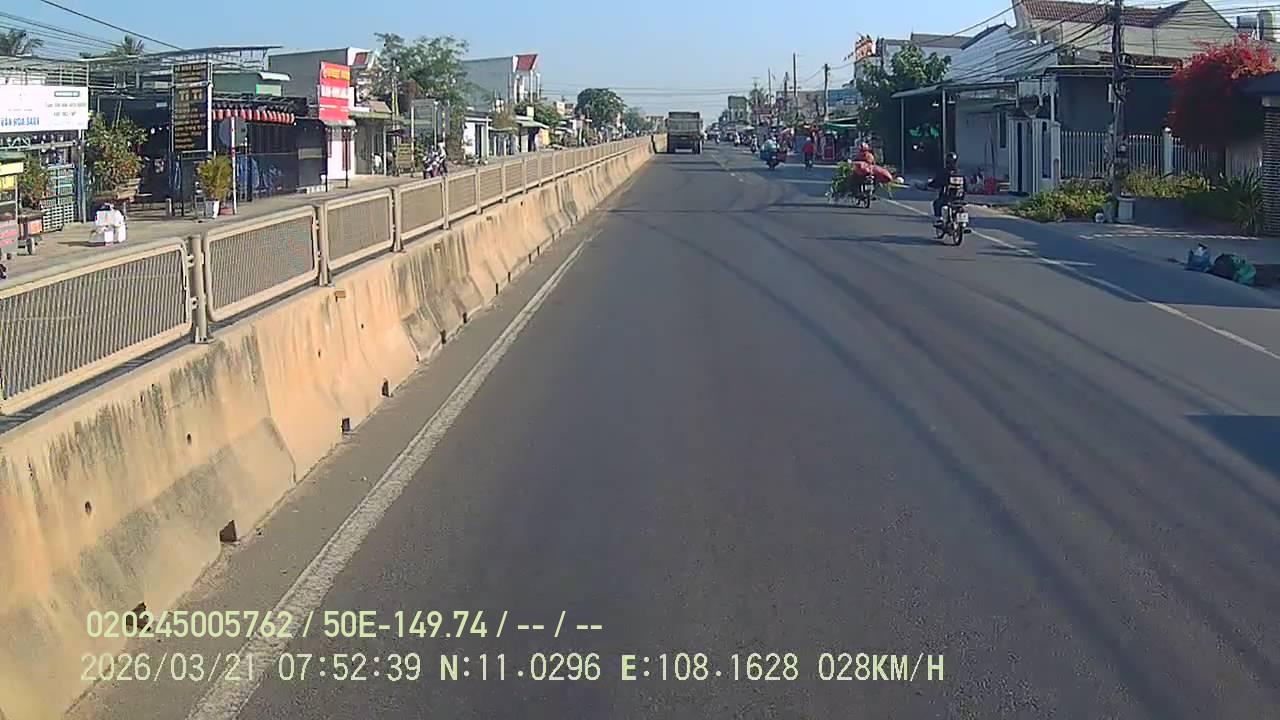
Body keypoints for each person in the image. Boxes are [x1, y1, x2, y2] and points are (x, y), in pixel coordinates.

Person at [929, 151, 964, 226]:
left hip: (947, 197)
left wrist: (930, 185)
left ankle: (939, 220)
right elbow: (965, 185)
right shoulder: (960, 172)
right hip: (960, 198)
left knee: (937, 204)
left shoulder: (944, 172)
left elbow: (937, 182)